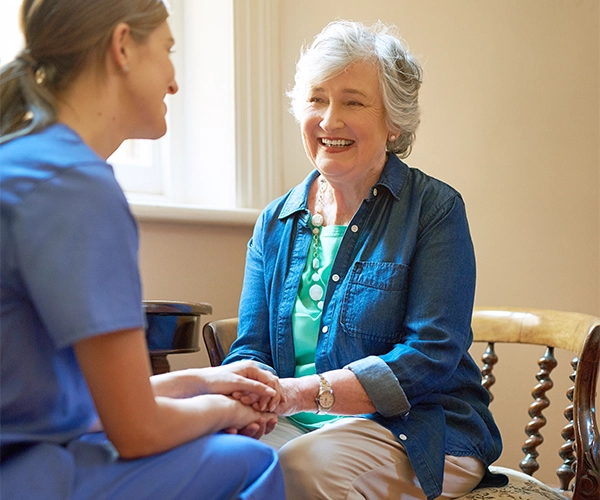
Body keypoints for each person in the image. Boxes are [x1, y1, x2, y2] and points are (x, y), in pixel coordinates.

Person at [0, 1, 285, 499]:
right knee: (253, 462)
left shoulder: (23, 161)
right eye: (169, 50)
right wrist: (230, 411)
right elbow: (137, 430)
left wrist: (205, 382)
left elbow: (76, 403)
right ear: (123, 45)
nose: (174, 82)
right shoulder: (76, 185)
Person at [224, 20, 505, 500]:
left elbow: (431, 354)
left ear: (393, 122)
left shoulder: (434, 210)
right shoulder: (275, 221)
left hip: (418, 429)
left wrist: (302, 393)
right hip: (295, 424)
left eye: (352, 102)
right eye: (317, 99)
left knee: (303, 470)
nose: (329, 121)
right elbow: (251, 347)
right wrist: (249, 394)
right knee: (204, 459)